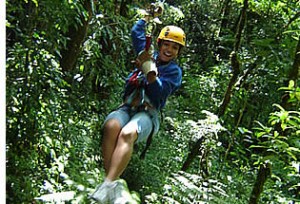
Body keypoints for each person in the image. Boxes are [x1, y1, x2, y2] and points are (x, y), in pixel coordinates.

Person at [90, 11, 186, 204]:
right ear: (159, 44)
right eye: (166, 44)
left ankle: (106, 186)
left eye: (175, 47)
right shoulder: (147, 52)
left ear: (178, 52)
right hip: (127, 108)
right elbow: (136, 33)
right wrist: (148, 17)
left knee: (127, 133)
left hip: (148, 115)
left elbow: (159, 93)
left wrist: (151, 74)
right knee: (111, 126)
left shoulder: (174, 72)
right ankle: (110, 184)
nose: (169, 49)